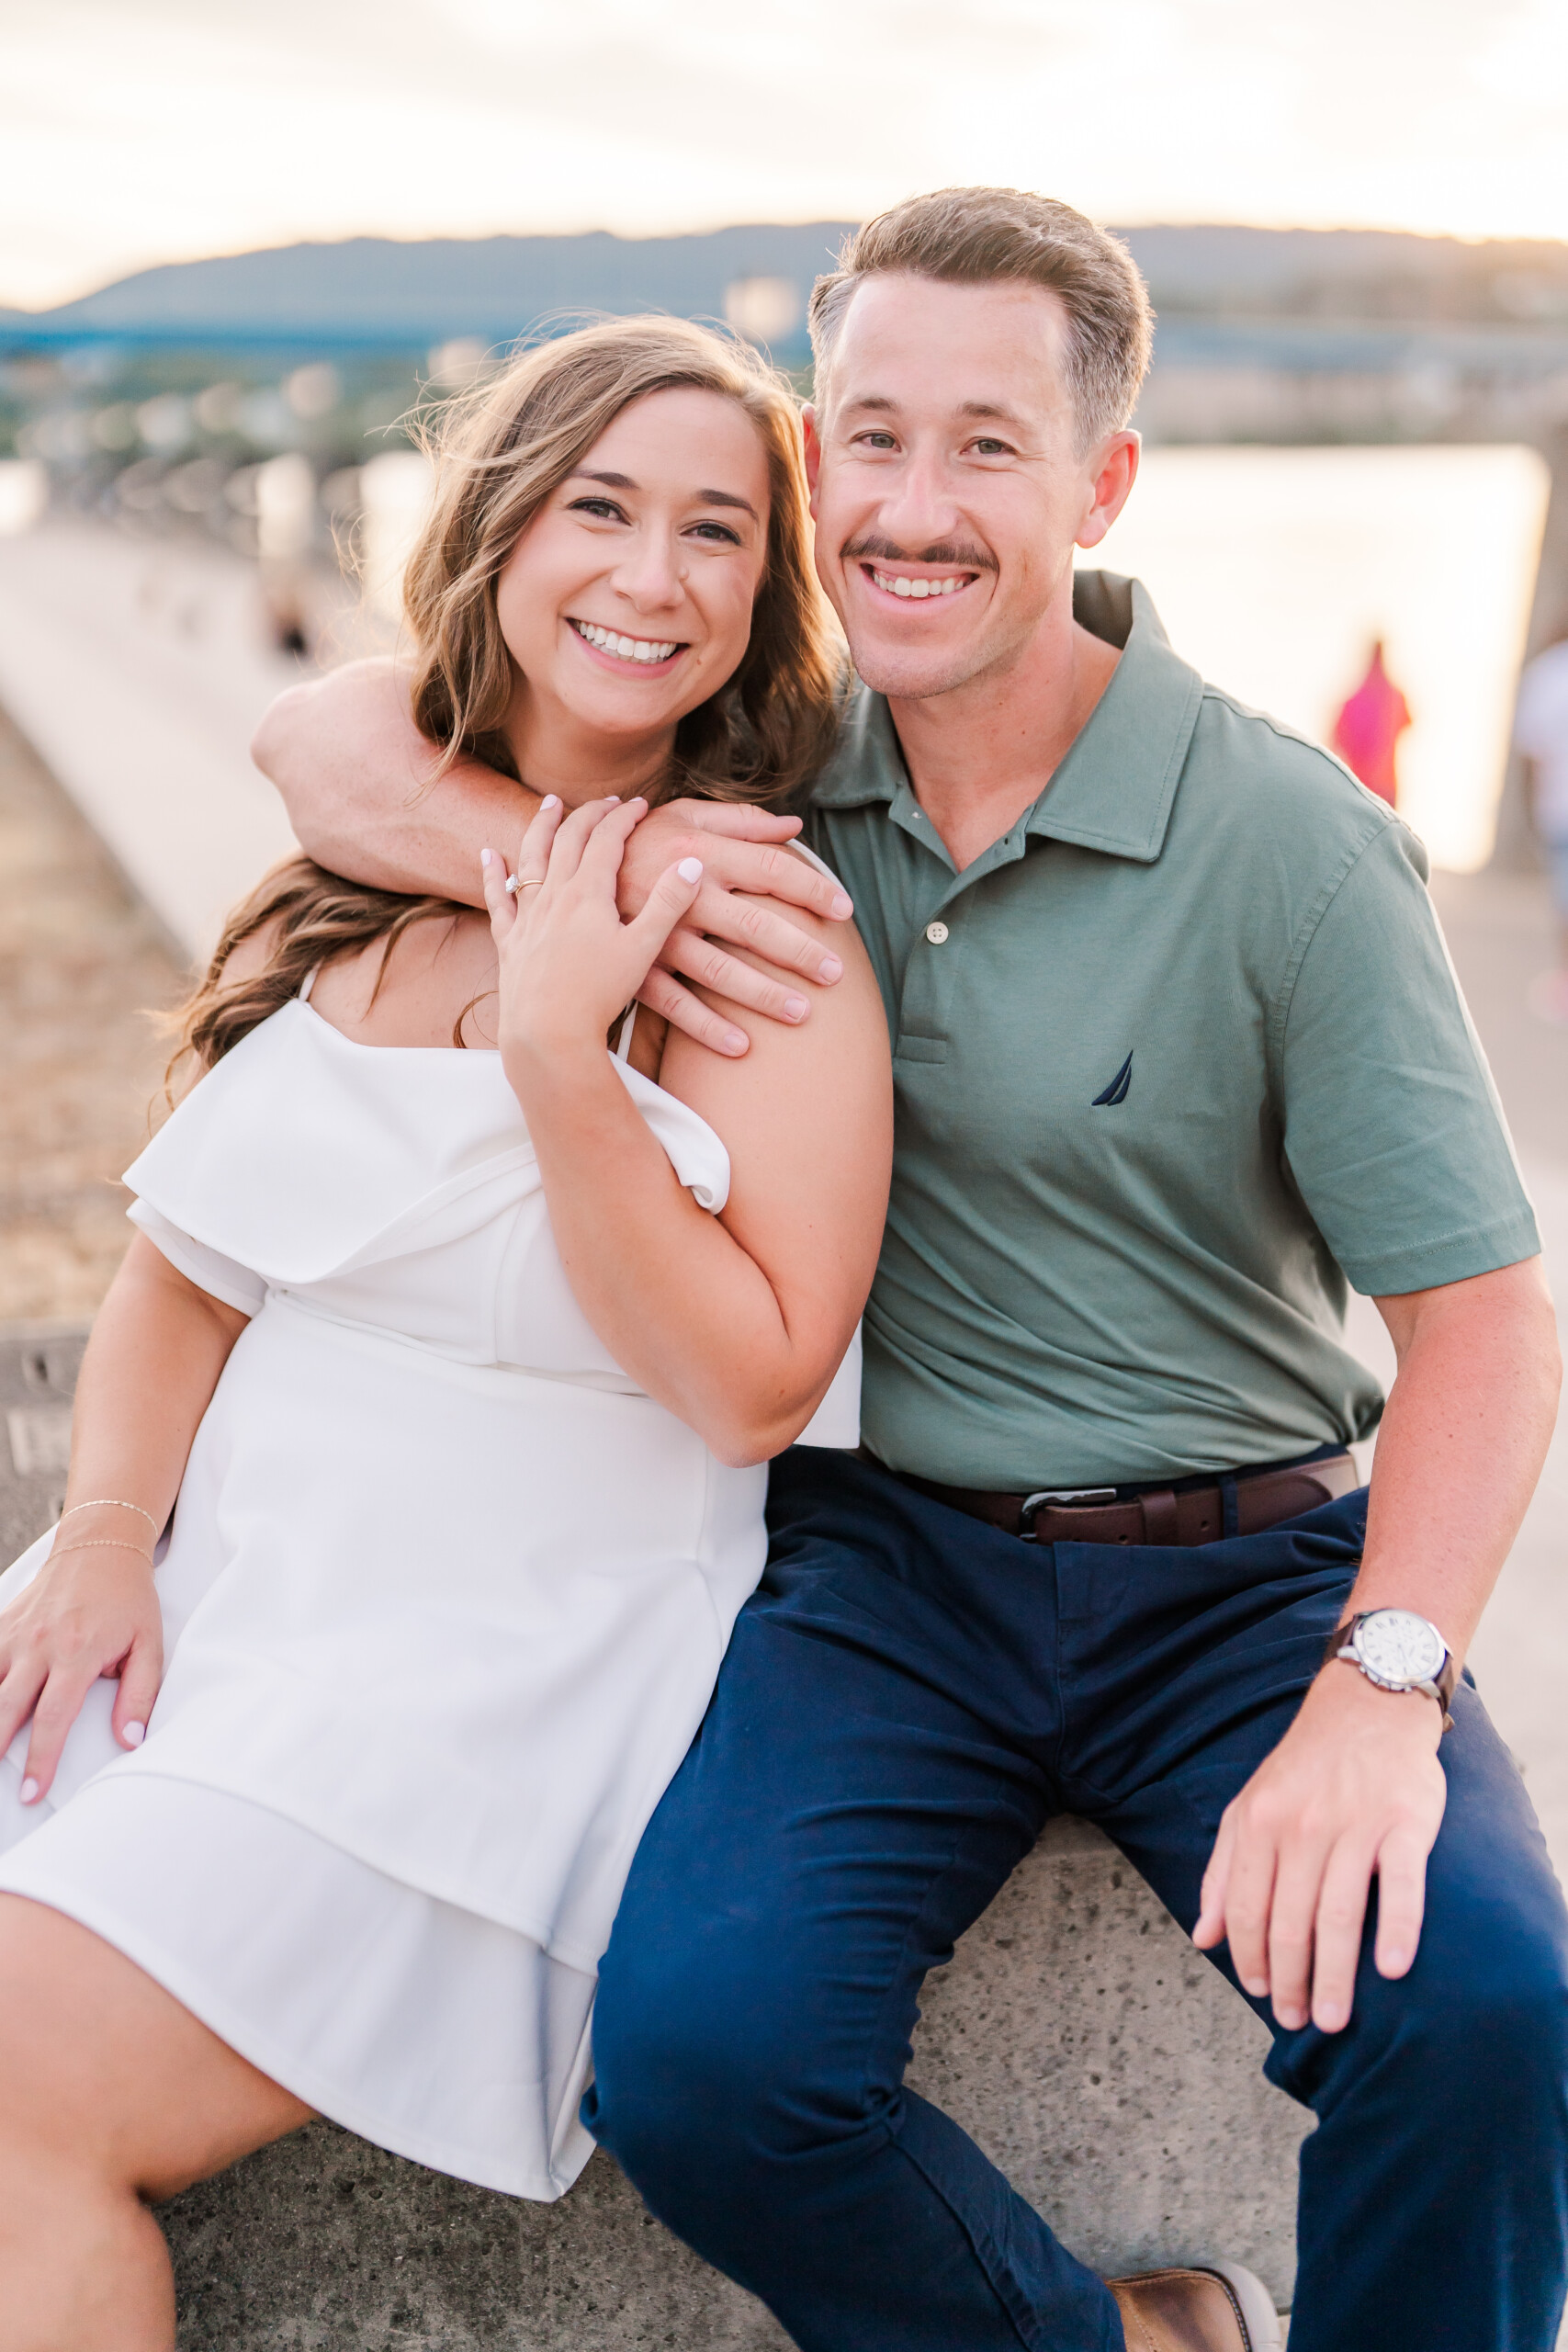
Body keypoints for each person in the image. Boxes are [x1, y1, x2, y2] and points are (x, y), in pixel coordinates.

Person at [257, 190, 1566, 2352]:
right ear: (809, 469)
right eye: (866, 440)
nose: (912, 507)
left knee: (1488, 2014)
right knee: (694, 2056)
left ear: (1097, 480)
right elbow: (317, 738)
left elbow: (1482, 1314)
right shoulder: (749, 770)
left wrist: (1381, 1681)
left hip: (1236, 1577)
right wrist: (639, 853)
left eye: (982, 445)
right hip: (879, 1575)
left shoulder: (1285, 841)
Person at [0, 315, 893, 2352]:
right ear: (495, 531)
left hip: (481, 1678)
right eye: (599, 506)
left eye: (716, 532)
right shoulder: (369, 874)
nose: (650, 576)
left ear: (766, 594)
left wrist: (572, 1059)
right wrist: (113, 1530)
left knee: (14, 2082)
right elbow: (183, 1271)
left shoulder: (760, 938)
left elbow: (753, 1382)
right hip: (221, 1608)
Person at [1514, 620, 1568, 1025]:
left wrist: (1531, 807)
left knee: (1563, 901)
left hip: (1559, 807)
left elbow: (1532, 752)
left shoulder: (1546, 674)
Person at [1330, 636, 1411, 808]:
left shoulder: (1357, 697)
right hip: (1384, 783)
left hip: (1360, 783)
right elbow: (1409, 723)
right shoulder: (1395, 696)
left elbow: (1336, 737)